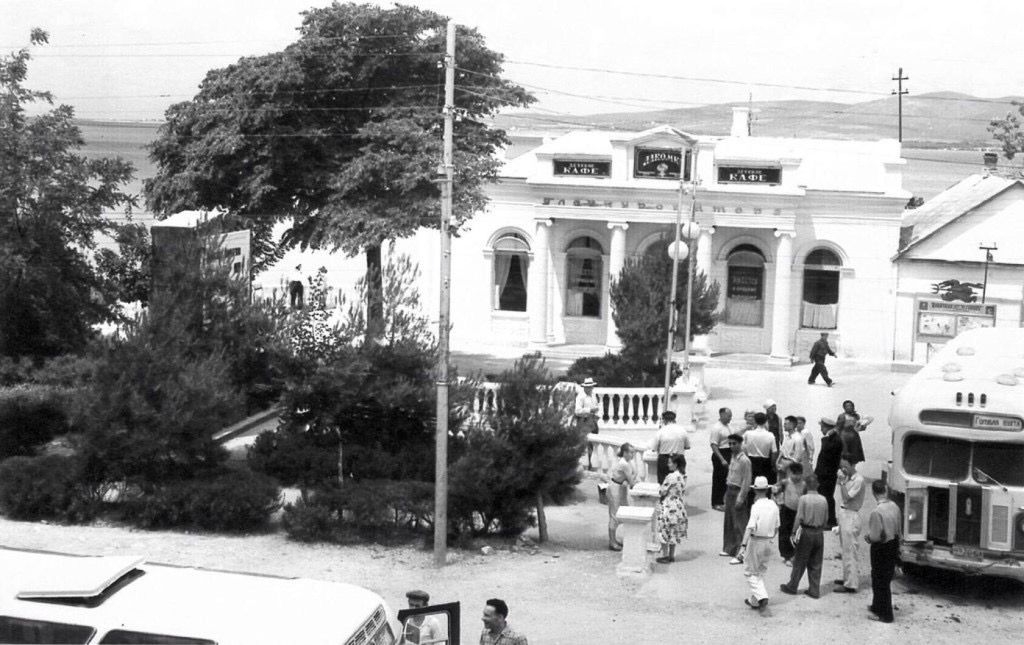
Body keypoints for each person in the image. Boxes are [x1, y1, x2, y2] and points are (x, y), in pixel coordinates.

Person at [779, 473, 829, 599]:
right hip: (819, 533)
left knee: (800, 561)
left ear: (806, 485)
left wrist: (794, 532)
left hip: (807, 532)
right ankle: (814, 589)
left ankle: (792, 586)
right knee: (816, 562)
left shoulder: (804, 499)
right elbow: (826, 519)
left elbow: (799, 517)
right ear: (817, 485)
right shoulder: (823, 499)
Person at [741, 476, 780, 611]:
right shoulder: (774, 505)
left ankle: (762, 596)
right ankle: (755, 601)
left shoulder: (756, 506)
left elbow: (750, 526)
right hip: (768, 540)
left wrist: (743, 545)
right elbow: (777, 526)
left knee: (750, 572)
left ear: (755, 490)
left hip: (756, 540)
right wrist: (770, 537)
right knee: (760, 571)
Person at [865, 480, 902, 623]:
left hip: (880, 547)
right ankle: (876, 606)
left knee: (879, 580)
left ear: (873, 492)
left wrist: (868, 537)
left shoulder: (877, 512)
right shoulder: (894, 507)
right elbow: (898, 529)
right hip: (893, 544)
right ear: (885, 490)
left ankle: (885, 614)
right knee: (884, 579)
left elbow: (875, 536)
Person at [834, 454, 866, 594]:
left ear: (853, 465)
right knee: (845, 550)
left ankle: (851, 584)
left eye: (845, 466)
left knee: (850, 551)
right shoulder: (848, 477)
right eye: (842, 466)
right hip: (844, 514)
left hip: (851, 515)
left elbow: (847, 497)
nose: (843, 469)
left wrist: (842, 483)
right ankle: (847, 577)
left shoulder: (858, 480)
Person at [720, 434, 752, 564]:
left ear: (740, 444)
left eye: (734, 443)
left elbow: (746, 480)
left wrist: (741, 497)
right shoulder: (733, 457)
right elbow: (730, 474)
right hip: (730, 489)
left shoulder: (744, 460)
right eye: (730, 444)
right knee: (729, 521)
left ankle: (741, 553)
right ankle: (730, 548)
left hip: (738, 491)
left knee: (739, 523)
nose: (732, 446)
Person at [656, 454, 689, 564]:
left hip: (669, 505)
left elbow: (662, 491)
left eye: (670, 463)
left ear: (675, 464)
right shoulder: (683, 476)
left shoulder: (671, 477)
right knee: (673, 531)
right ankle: (671, 555)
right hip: (678, 505)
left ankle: (665, 555)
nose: (668, 464)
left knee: (664, 530)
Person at [606, 443, 638, 551]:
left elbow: (633, 476)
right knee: (614, 514)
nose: (633, 454)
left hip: (621, 488)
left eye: (633, 452)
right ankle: (612, 542)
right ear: (625, 453)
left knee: (624, 511)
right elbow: (631, 481)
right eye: (631, 452)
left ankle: (615, 539)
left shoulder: (628, 463)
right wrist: (633, 482)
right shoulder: (624, 464)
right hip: (615, 488)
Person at [774, 462, 806, 566]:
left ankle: (795, 554)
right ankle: (786, 555)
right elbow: (776, 489)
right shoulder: (786, 482)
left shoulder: (804, 485)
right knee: (784, 532)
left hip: (799, 512)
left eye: (799, 474)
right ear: (789, 473)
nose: (797, 477)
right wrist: (777, 496)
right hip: (787, 510)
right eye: (794, 474)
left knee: (797, 533)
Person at [814, 416, 843, 528]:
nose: (821, 429)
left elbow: (826, 450)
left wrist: (825, 437)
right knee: (824, 496)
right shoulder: (831, 438)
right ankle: (825, 518)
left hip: (828, 474)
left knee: (828, 497)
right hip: (824, 473)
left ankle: (831, 520)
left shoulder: (834, 440)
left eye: (822, 427)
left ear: (827, 427)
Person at [649, 410, 690, 484]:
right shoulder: (682, 430)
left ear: (664, 420)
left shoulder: (660, 432)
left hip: (664, 459)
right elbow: (688, 446)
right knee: (679, 481)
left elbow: (653, 448)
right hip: (678, 458)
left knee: (663, 483)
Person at [743, 412, 778, 486]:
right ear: (765, 421)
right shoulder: (770, 435)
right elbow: (774, 452)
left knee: (752, 483)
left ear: (755, 421)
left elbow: (743, 448)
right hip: (765, 461)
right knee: (765, 483)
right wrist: (773, 464)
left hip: (751, 460)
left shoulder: (748, 433)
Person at [710, 407, 734, 510]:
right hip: (721, 453)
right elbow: (713, 445)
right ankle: (716, 502)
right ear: (722, 415)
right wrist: (722, 459)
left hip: (728, 452)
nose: (730, 418)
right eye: (729, 416)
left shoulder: (728, 426)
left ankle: (723, 500)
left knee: (726, 479)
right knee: (718, 479)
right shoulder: (717, 428)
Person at [575, 377, 600, 469]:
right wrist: (589, 410)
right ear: (585, 387)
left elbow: (596, 406)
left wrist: (596, 414)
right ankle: (583, 464)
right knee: (584, 443)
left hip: (592, 421)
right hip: (583, 421)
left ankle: (590, 462)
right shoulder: (580, 397)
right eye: (588, 387)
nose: (590, 389)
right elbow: (577, 411)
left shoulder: (593, 395)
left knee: (592, 443)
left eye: (591, 387)